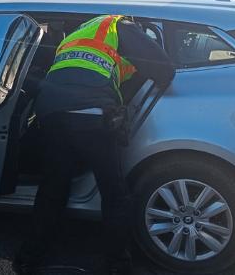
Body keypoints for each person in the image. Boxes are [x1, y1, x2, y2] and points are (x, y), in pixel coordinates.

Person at [16, 15, 175, 275]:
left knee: (53, 187)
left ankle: (29, 257)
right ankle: (117, 264)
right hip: (91, 116)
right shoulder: (118, 25)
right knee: (114, 192)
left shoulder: (76, 36)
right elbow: (165, 70)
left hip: (50, 113)